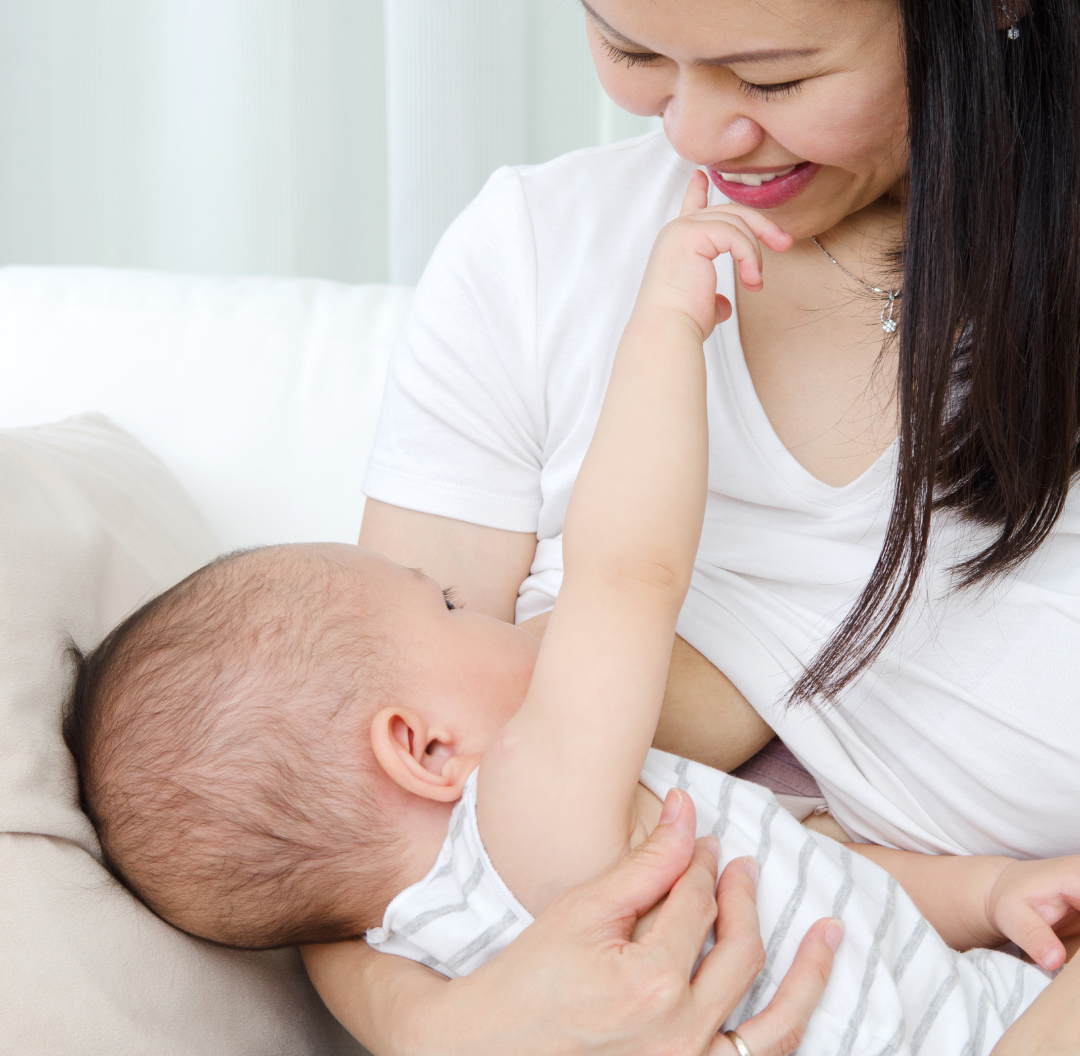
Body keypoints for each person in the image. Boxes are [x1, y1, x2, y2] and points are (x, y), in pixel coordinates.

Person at [65, 177, 1076, 1055]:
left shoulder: (441, 940)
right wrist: (664, 326)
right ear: (421, 746)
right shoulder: (538, 805)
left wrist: (987, 896)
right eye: (453, 608)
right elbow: (628, 570)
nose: (497, 614)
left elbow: (814, 879)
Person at [303, 0, 1080, 1050]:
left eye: (777, 77)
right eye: (631, 53)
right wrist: (451, 1029)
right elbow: (334, 785)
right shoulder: (536, 257)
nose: (696, 132)